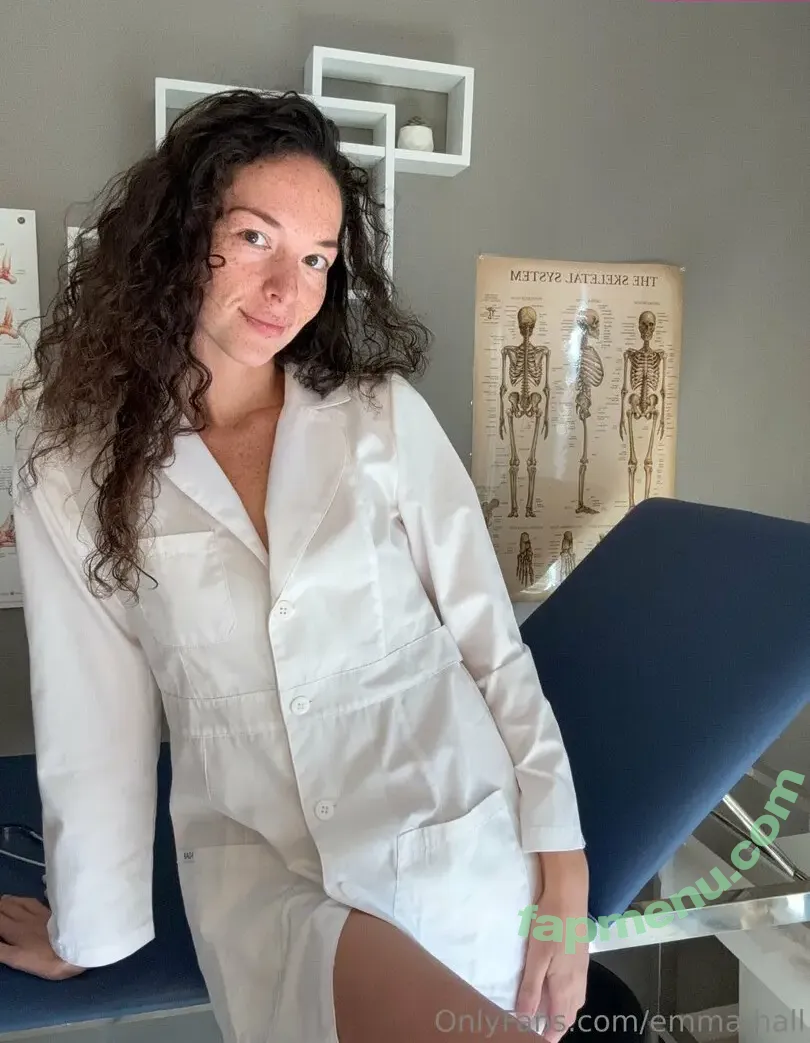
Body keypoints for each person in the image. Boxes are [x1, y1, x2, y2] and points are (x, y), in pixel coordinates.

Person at [0, 89, 642, 1042]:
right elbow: (95, 715)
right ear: (178, 234)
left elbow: (490, 646)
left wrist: (564, 867)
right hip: (264, 873)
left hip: (455, 843)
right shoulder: (70, 468)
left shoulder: (379, 418)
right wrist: (87, 931)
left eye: (315, 258)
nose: (286, 289)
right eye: (255, 237)